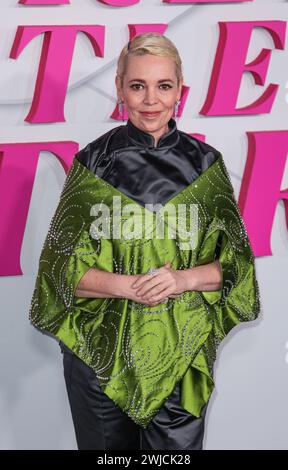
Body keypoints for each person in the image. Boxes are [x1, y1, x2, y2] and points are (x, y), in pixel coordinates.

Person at [29, 32, 261, 450]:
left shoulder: (205, 166)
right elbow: (60, 271)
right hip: (99, 358)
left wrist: (181, 280)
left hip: (180, 354)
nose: (151, 100)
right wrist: (130, 287)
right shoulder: (93, 163)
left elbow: (237, 270)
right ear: (120, 89)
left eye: (163, 86)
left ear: (179, 91)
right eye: (138, 86)